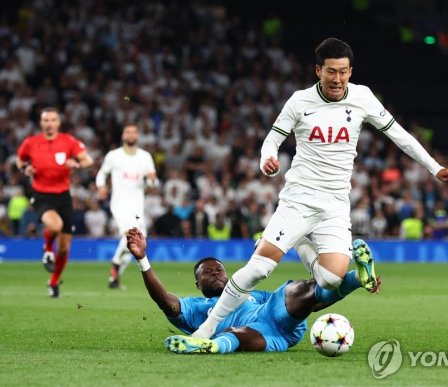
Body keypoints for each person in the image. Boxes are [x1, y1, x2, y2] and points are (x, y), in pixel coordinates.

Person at [192, 37, 448, 339]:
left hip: (336, 203)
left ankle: (300, 244)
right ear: (318, 71)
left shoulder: (362, 97)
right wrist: (267, 159)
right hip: (299, 198)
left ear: (351, 71)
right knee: (259, 268)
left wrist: (435, 168)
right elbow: (272, 139)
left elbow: (399, 136)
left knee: (331, 280)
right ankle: (205, 330)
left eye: (344, 71)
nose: (338, 79)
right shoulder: (299, 101)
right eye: (331, 72)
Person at [125, 227, 380, 353]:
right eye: (207, 271)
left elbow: (312, 304)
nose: (215, 272)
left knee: (300, 289)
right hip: (266, 335)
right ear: (197, 284)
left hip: (276, 315)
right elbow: (164, 301)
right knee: (235, 332)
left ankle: (358, 278)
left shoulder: (251, 294)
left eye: (219, 269)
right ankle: (211, 347)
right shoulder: (195, 308)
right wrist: (142, 260)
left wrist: (342, 291)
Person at [16, 107, 94, 297]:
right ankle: (48, 248)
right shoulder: (31, 143)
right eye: (45, 120)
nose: (49, 123)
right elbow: (20, 161)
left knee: (66, 247)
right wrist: (26, 168)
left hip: (63, 196)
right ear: (41, 123)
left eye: (53, 120)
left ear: (59, 122)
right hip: (41, 194)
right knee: (55, 225)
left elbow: (88, 161)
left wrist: (77, 164)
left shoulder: (68, 141)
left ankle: (53, 282)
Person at [95, 123, 158, 289]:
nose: (131, 135)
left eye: (134, 132)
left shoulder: (145, 157)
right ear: (123, 135)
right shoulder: (114, 156)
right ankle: (115, 265)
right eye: (127, 132)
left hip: (138, 206)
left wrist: (151, 179)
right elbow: (102, 173)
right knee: (132, 236)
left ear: (137, 136)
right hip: (120, 204)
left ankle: (114, 277)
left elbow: (153, 183)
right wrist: (101, 186)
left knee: (138, 241)